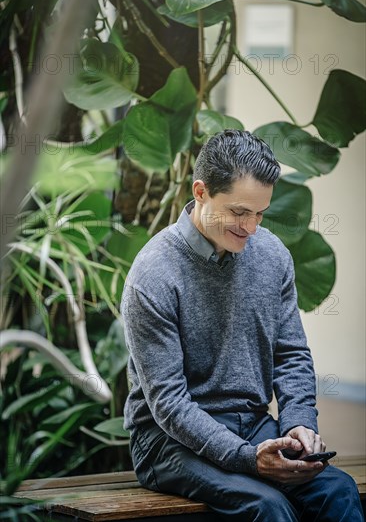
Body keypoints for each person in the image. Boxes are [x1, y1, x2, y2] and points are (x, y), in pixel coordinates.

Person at [121, 130, 363, 521]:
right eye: (238, 212)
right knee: (268, 507)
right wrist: (246, 459)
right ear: (201, 192)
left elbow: (291, 354)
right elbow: (169, 404)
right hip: (166, 443)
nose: (251, 227)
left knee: (339, 491)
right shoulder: (153, 276)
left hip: (252, 427)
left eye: (259, 213)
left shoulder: (272, 256)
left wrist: (300, 422)